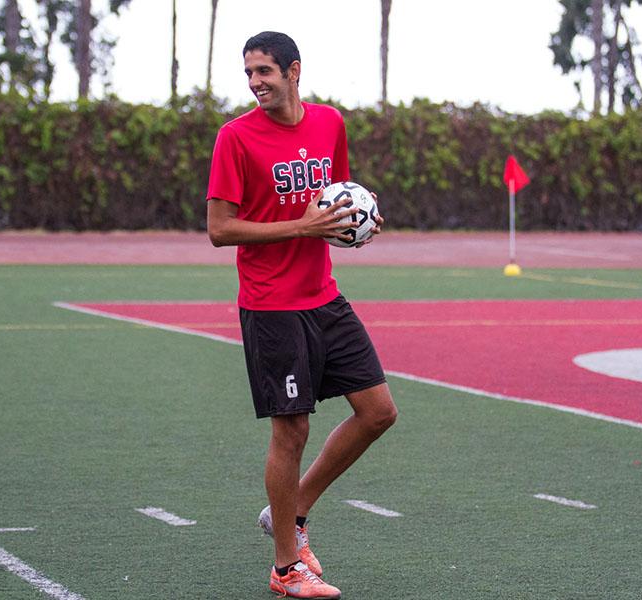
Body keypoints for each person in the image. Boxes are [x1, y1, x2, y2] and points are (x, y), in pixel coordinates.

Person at [206, 31, 398, 599]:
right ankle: (286, 567)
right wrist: (302, 228)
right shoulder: (235, 137)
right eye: (249, 74)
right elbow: (219, 230)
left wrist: (355, 225)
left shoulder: (330, 124)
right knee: (292, 429)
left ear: (294, 70)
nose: (255, 82)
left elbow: (336, 199)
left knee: (378, 412)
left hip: (323, 295)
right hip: (271, 304)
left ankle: (293, 511)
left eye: (265, 71)